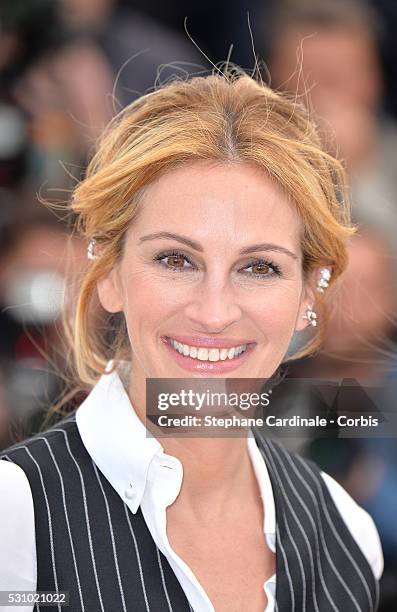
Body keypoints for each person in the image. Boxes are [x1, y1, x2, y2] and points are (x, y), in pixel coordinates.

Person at [0, 69, 384, 611]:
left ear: (307, 296)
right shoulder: (14, 516)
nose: (214, 312)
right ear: (109, 273)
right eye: (175, 260)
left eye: (259, 267)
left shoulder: (345, 533)